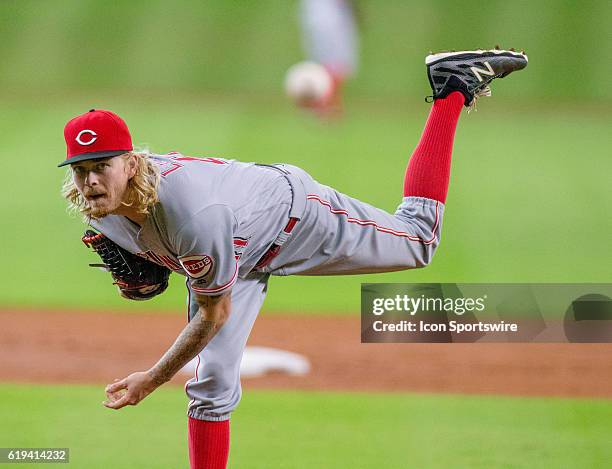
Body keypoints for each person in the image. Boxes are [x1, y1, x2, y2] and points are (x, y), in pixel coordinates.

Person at [59, 49, 527, 469]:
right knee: (212, 388)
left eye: (102, 166)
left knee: (418, 242)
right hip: (235, 249)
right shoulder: (98, 209)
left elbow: (213, 313)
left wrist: (152, 379)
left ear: (132, 163)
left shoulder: (195, 218)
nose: (91, 182)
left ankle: (452, 87)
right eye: (81, 170)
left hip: (293, 216)